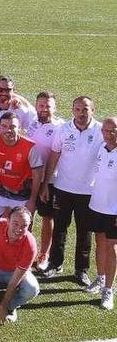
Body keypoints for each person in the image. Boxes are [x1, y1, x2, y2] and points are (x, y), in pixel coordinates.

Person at [41, 97, 102, 286]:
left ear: (92, 110)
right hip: (63, 188)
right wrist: (45, 184)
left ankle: (81, 270)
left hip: (88, 192)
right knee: (60, 228)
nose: (81, 113)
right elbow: (54, 155)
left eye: (85, 109)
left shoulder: (101, 131)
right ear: (72, 110)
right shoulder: (63, 129)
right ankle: (55, 263)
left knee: (84, 232)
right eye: (77, 109)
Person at [25, 92, 64, 273]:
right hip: (29, 178)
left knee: (47, 217)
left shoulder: (60, 127)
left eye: (48, 106)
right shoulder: (32, 123)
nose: (44, 109)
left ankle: (44, 254)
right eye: (41, 105)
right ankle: (26, 250)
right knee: (27, 214)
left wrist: (47, 183)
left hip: (50, 180)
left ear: (54, 108)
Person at [0, 112, 44, 221]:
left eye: (12, 127)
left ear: (20, 128)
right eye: (4, 126)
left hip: (22, 194)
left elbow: (37, 175)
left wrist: (32, 200)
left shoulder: (31, 148)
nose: (8, 130)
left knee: (21, 229)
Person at [88, 117, 117, 310]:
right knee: (99, 242)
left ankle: (108, 290)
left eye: (113, 130)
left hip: (114, 210)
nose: (109, 134)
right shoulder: (101, 148)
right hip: (96, 206)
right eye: (106, 130)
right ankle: (100, 278)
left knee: (112, 249)